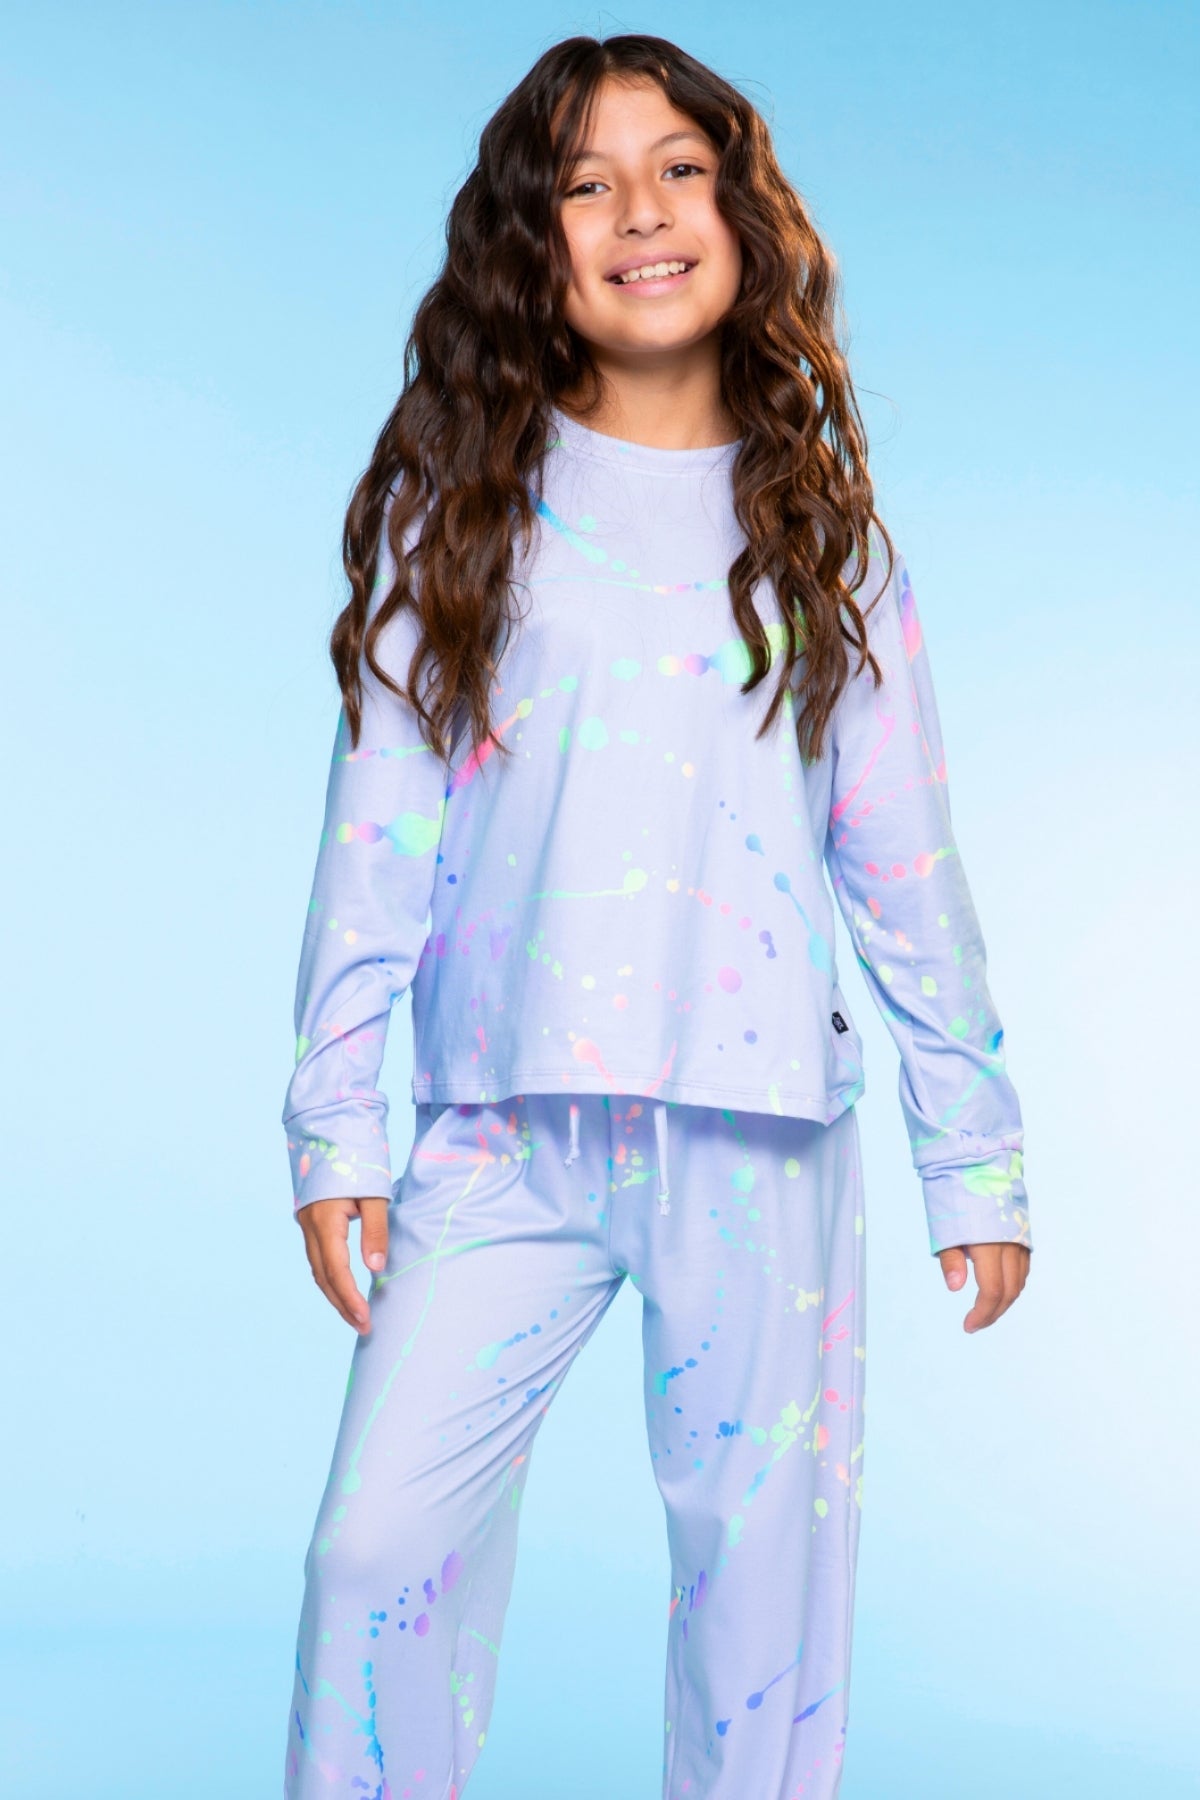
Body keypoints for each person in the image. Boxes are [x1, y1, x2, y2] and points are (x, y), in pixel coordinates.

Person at [279, 31, 1032, 1800]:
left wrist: (975, 1152)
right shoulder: (458, 518)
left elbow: (904, 864)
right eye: (586, 184)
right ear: (526, 243)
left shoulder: (825, 543)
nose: (639, 211)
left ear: (742, 213)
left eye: (680, 169)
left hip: (759, 1129)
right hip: (502, 1131)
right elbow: (374, 840)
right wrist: (334, 1121)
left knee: (763, 1624)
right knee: (372, 1558)